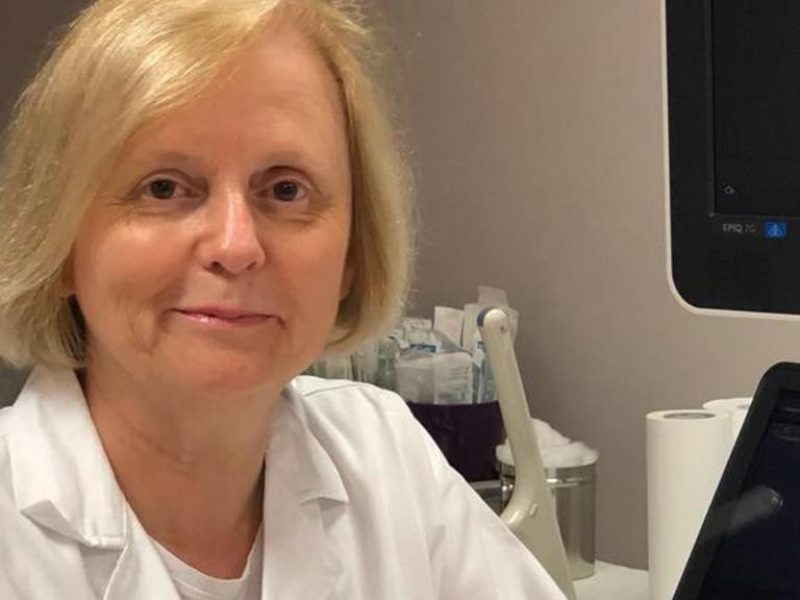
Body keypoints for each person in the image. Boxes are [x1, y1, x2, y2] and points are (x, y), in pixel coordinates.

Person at [0, 1, 566, 598]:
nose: (235, 246)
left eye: (287, 189)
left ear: (352, 252)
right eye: (163, 187)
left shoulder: (384, 456)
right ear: (59, 241)